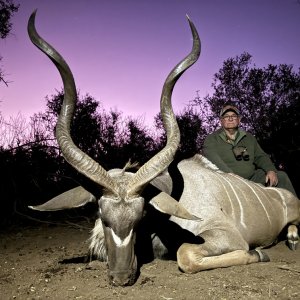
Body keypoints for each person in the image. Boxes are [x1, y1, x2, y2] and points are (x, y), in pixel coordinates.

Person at [202, 104, 297, 197]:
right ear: (221, 121)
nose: (230, 118)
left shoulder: (249, 137)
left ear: (239, 120)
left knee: (281, 177)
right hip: (227, 182)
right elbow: (214, 160)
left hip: (252, 179)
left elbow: (260, 156)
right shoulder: (211, 139)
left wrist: (271, 170)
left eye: (234, 116)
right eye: (226, 116)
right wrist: (234, 178)